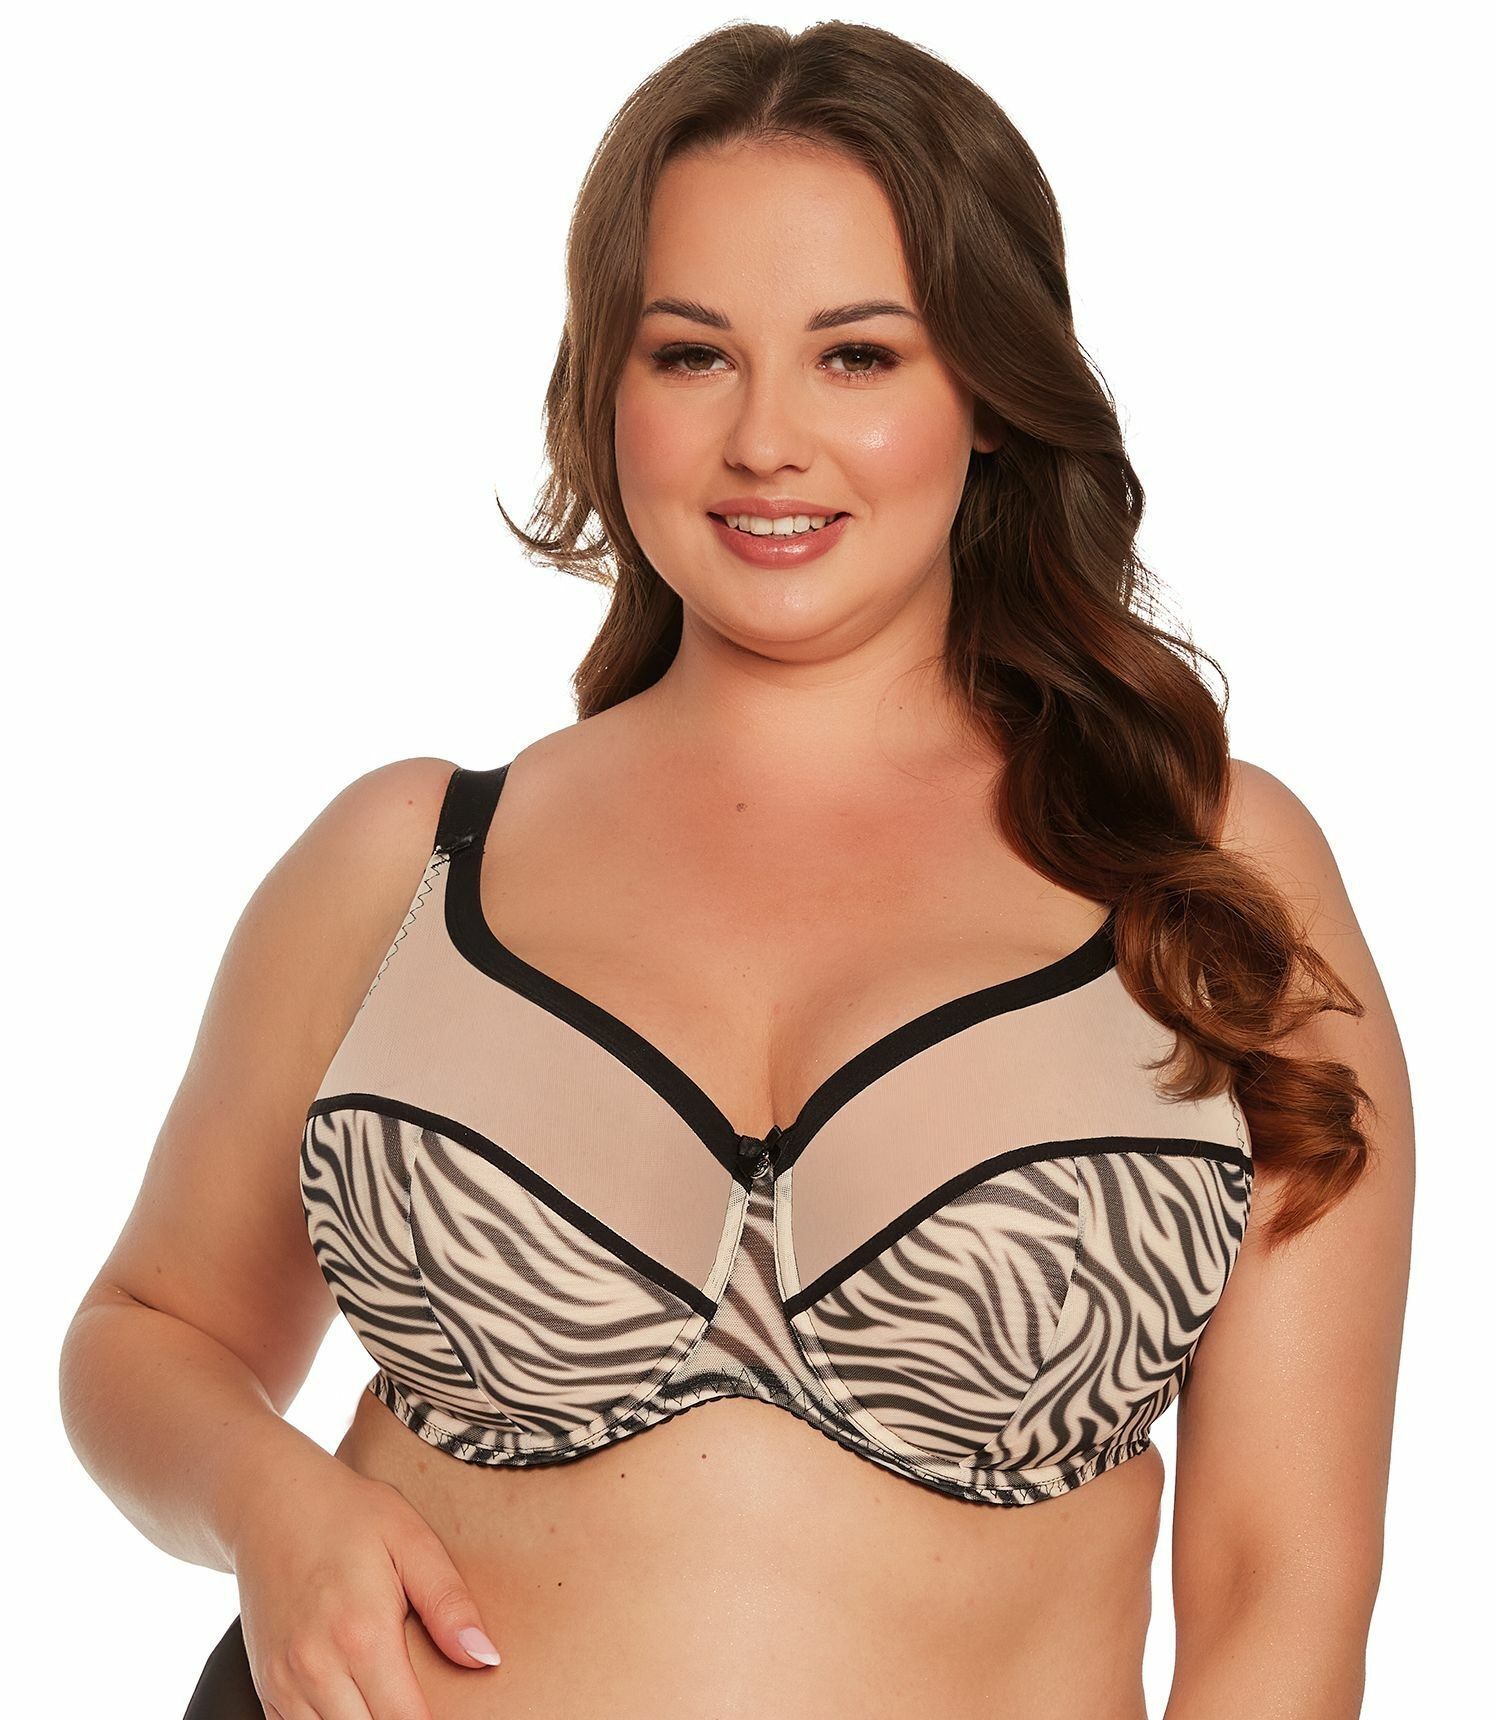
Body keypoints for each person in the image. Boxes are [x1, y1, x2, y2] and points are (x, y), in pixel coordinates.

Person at [58, 20, 1413, 1719]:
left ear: (990, 393)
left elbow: (1280, 1593)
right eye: (692, 354)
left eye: (858, 356)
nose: (767, 440)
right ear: (605, 389)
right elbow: (145, 1334)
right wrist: (268, 1501)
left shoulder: (1207, 875)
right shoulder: (406, 861)